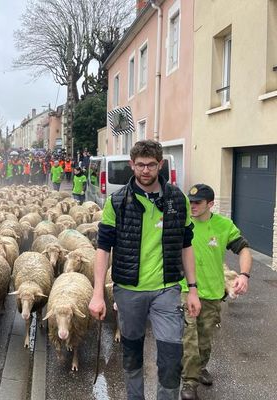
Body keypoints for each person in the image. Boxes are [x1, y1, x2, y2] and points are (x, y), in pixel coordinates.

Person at [88, 140, 201, 400]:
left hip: (167, 289)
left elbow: (186, 245)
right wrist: (97, 293)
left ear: (160, 164)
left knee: (172, 359)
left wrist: (193, 289)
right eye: (140, 165)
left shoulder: (177, 199)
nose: (146, 170)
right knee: (132, 354)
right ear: (132, 165)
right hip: (129, 291)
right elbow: (103, 248)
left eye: (151, 165)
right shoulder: (117, 202)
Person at [179, 184, 252, 400]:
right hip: (185, 290)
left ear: (210, 204)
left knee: (204, 340)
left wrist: (244, 275)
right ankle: (189, 384)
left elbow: (244, 250)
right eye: (190, 202)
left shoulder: (223, 226)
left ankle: (199, 368)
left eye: (197, 203)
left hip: (212, 293)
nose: (192, 206)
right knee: (189, 339)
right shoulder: (182, 223)